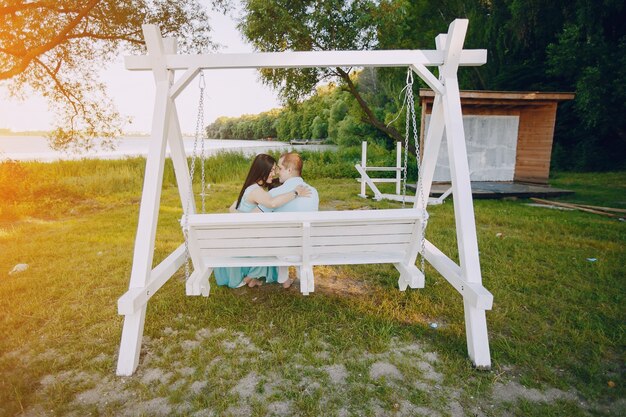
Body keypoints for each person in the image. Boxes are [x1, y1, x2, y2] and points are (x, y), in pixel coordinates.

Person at [214, 153, 311, 288]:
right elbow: (271, 203)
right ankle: (250, 277)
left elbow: (235, 208)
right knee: (271, 243)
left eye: (275, 170)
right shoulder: (255, 190)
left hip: (242, 235)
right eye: (271, 171)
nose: (274, 173)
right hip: (246, 240)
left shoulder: (251, 188)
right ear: (262, 171)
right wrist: (295, 193)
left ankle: (254, 278)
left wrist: (237, 214)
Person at [258, 152, 319, 288]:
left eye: (280, 168)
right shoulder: (314, 192)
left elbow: (258, 217)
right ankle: (303, 278)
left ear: (289, 170)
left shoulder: (274, 194)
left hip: (284, 252)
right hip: (309, 250)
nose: (277, 172)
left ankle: (282, 278)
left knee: (277, 232)